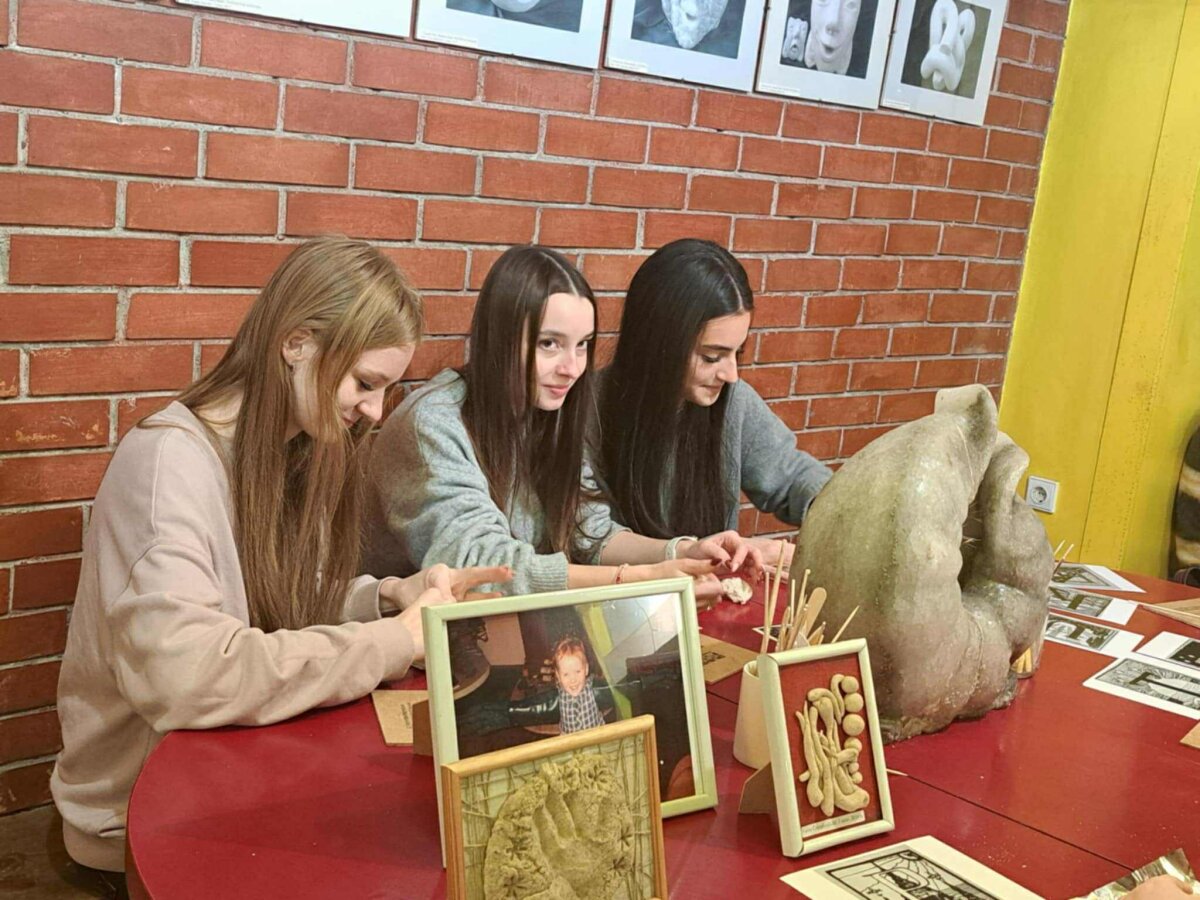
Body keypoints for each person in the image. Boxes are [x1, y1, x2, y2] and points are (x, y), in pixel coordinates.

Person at [50, 238, 508, 881]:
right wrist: (393, 642)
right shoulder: (165, 463)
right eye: (365, 383)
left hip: (228, 780)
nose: (374, 411)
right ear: (296, 343)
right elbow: (189, 677)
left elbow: (280, 598)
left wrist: (386, 598)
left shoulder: (289, 448)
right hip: (136, 824)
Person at [364, 244, 759, 599]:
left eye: (582, 345)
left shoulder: (550, 412)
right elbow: (485, 570)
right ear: (501, 339)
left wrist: (682, 551)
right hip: (406, 640)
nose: (572, 368)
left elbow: (589, 531)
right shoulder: (433, 422)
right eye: (549, 344)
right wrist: (640, 577)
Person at [596, 238, 833, 573]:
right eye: (712, 356)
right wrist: (683, 552)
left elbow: (793, 477)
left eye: (737, 352)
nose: (731, 374)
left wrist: (854, 512)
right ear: (659, 344)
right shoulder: (589, 410)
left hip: (708, 599)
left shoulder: (733, 402)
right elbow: (591, 536)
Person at [552, 635, 606, 734]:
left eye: (577, 671)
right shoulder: (559, 693)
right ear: (558, 676)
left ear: (586, 669)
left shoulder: (590, 686)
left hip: (595, 736)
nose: (573, 679)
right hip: (570, 739)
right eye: (566, 674)